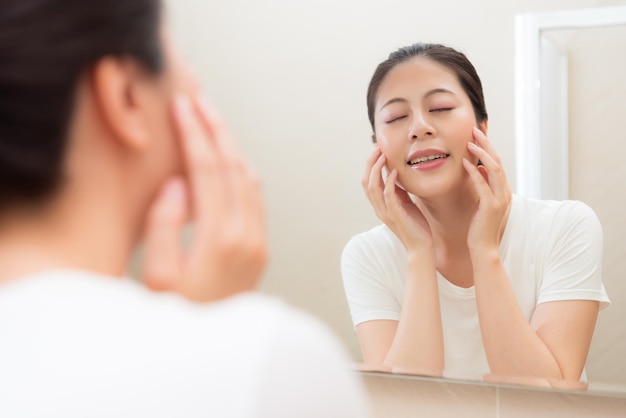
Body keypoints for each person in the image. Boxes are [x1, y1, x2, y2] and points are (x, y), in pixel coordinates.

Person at [0, 1, 371, 417]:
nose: (196, 85)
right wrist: (222, 348)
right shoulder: (276, 364)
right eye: (184, 59)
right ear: (125, 98)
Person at [341, 43, 610, 382]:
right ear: (378, 148)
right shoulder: (367, 255)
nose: (419, 127)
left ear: (481, 127)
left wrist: (484, 251)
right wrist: (419, 253)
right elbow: (406, 405)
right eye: (396, 117)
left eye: (440, 108)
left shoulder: (566, 227)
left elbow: (547, 401)